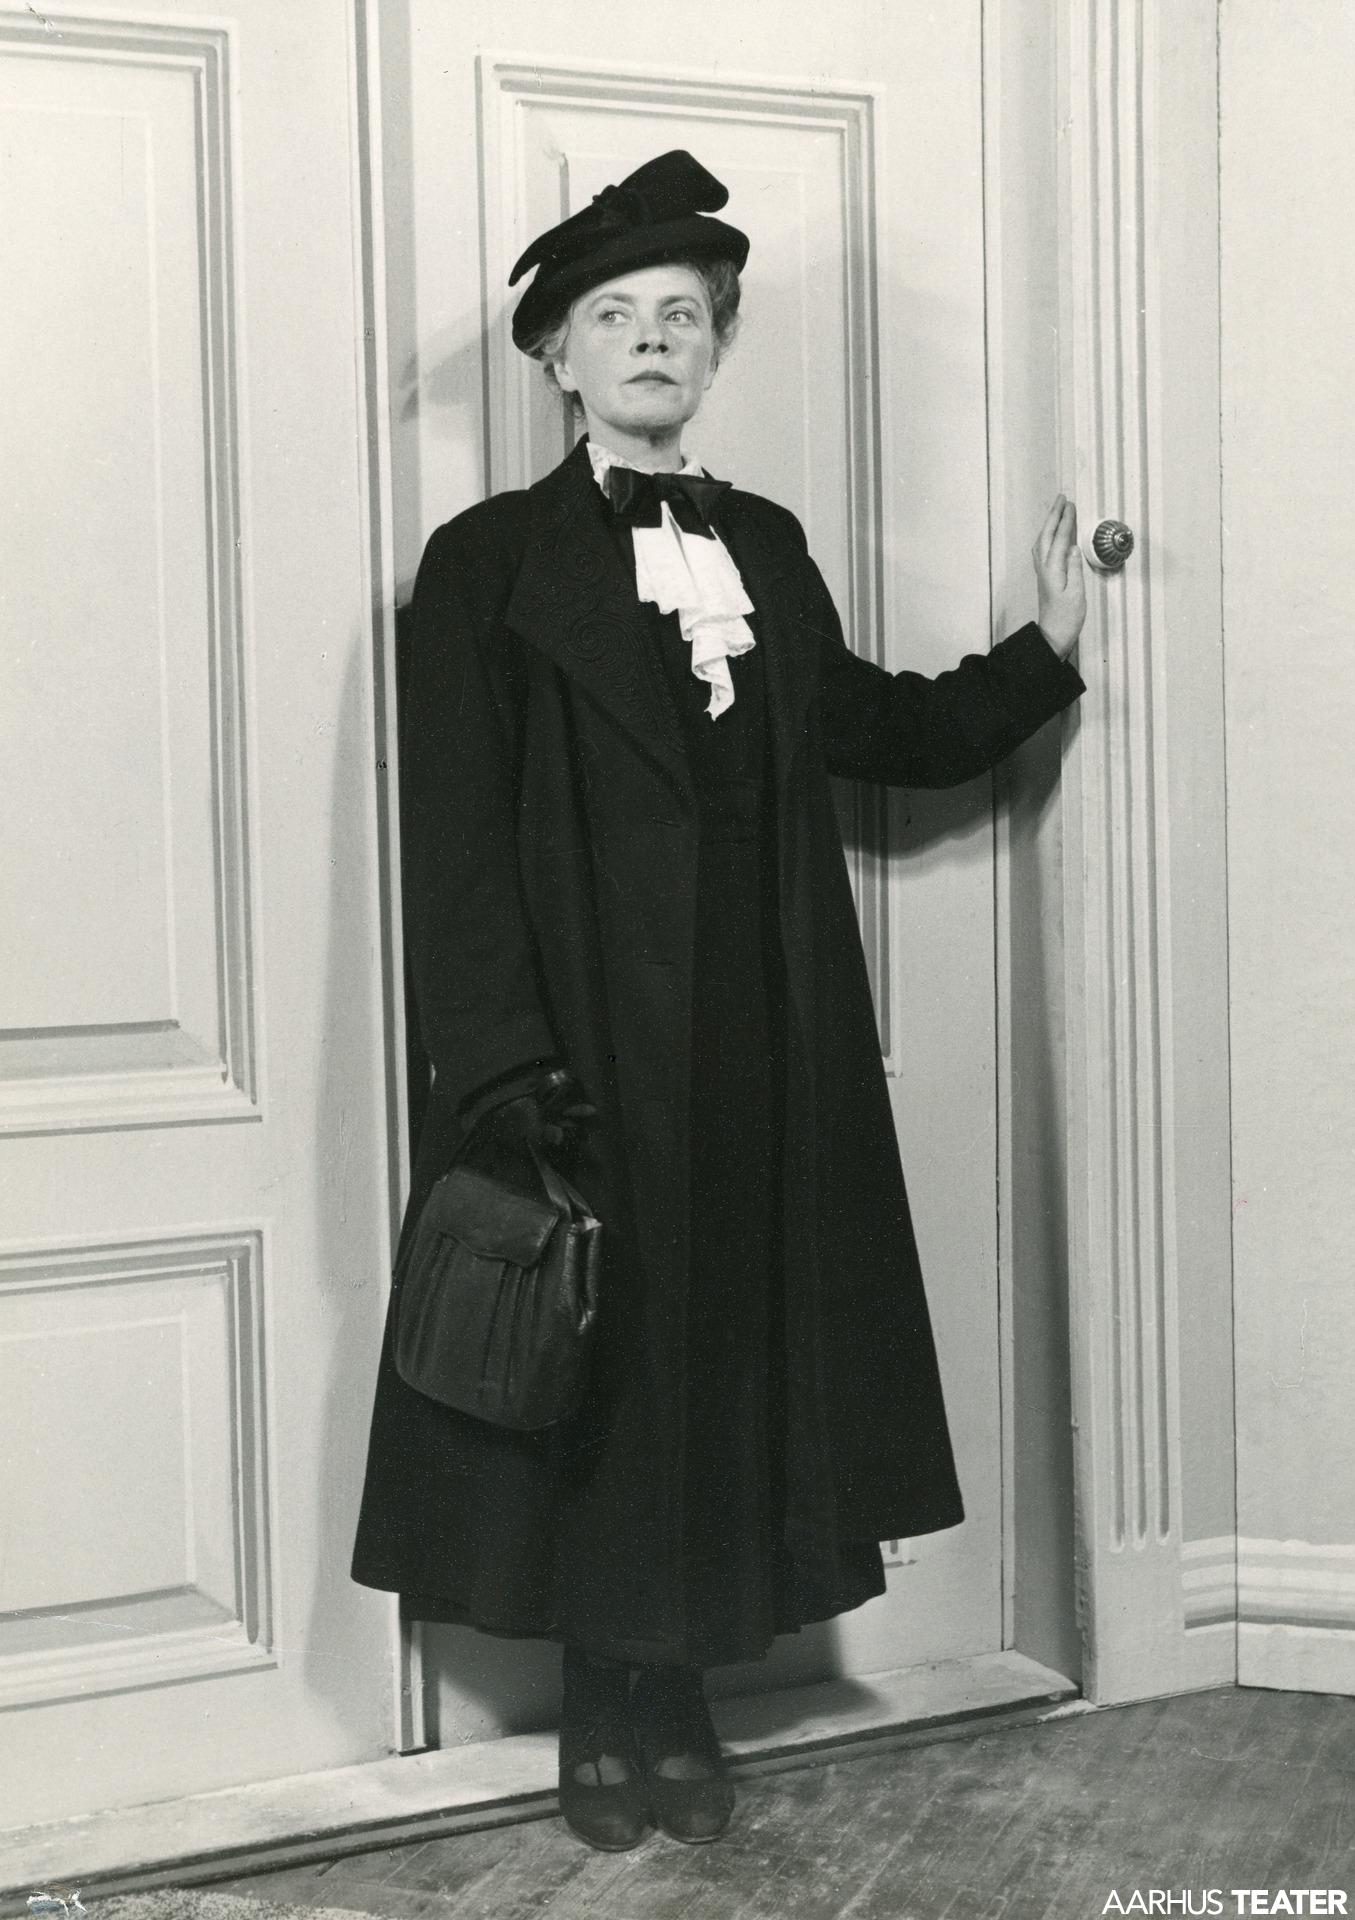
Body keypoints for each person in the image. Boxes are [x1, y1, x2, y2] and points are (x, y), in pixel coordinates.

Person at [350, 150, 1087, 1854]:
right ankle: (607, 1708)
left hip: (761, 1042)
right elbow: (452, 841)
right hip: (583, 1050)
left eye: (683, 316)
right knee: (604, 1379)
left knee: (724, 1372)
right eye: (616, 317)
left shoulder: (763, 543)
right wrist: (504, 1067)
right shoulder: (484, 563)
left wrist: (1038, 656)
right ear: (559, 358)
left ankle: (672, 1690)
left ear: (717, 349)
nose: (652, 341)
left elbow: (870, 729)